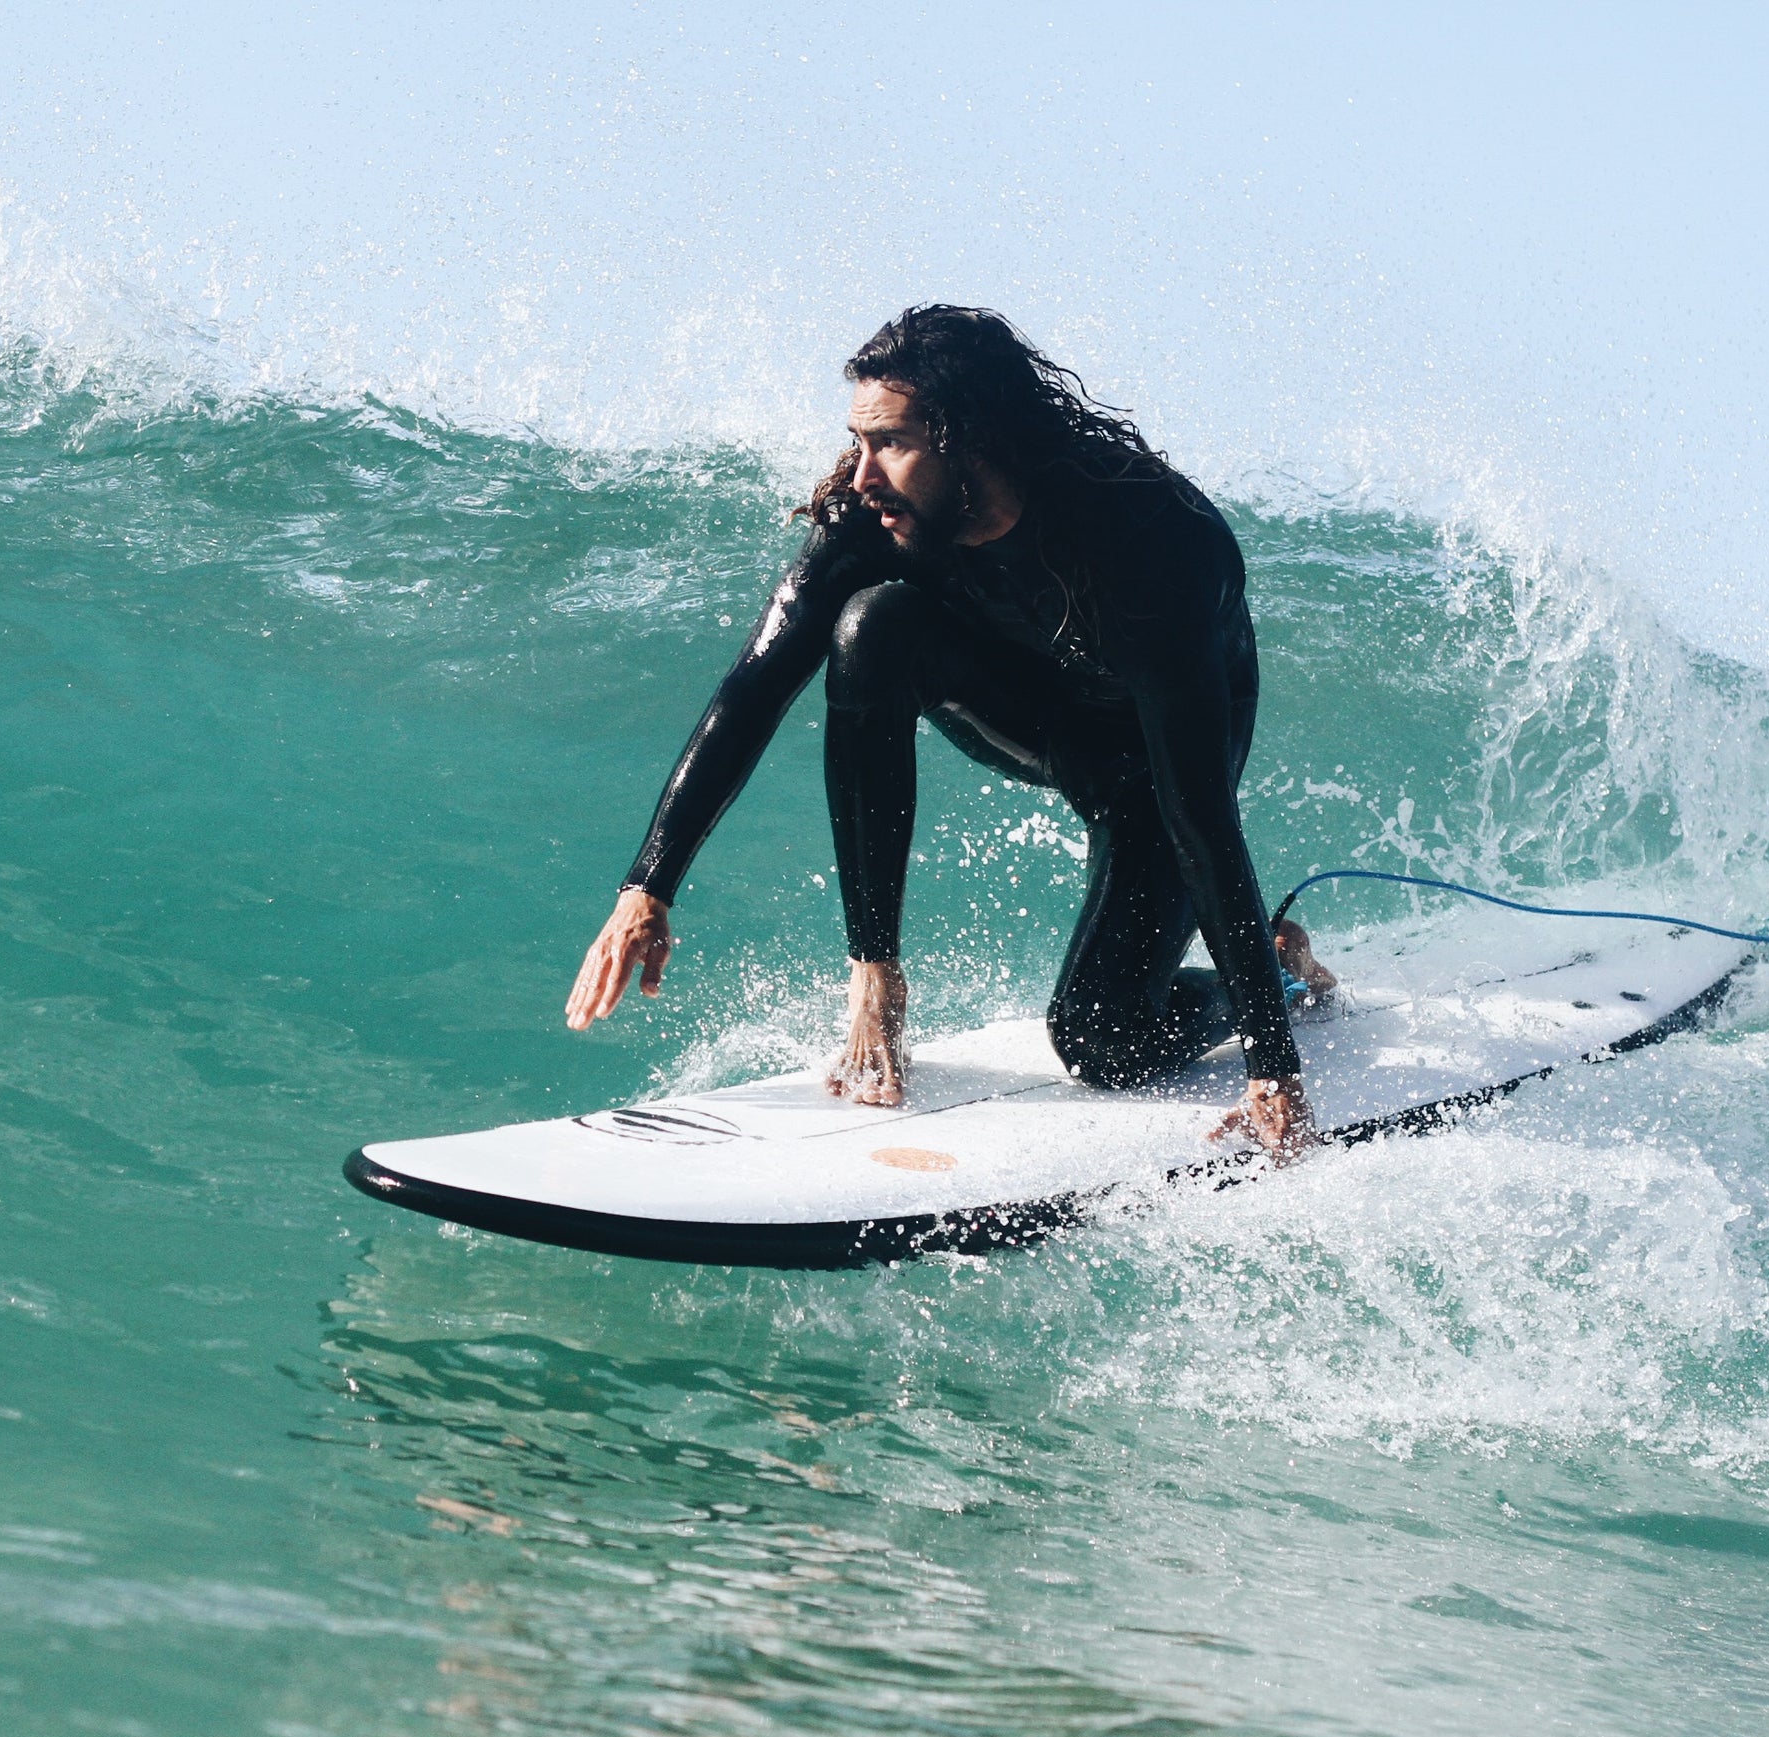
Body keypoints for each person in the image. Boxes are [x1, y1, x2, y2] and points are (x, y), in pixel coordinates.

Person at [562, 305, 1334, 1152]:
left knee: (1102, 1039)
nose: (861, 476)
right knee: (872, 626)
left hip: (1151, 763)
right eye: (858, 443)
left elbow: (1200, 813)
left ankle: (1278, 974)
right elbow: (753, 687)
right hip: (1035, 715)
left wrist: (1273, 1063)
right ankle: (875, 977)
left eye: (888, 442)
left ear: (971, 436)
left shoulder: (1148, 540)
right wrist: (648, 886)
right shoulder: (874, 521)